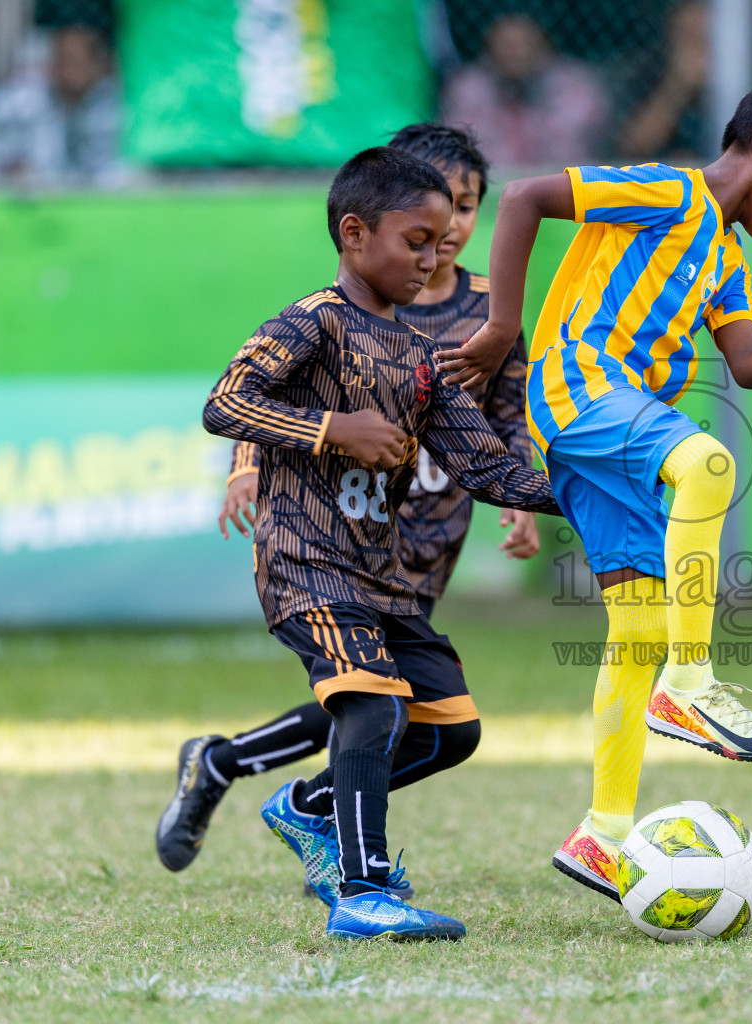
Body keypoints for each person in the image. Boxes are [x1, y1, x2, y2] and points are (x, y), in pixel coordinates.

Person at [438, 69, 752, 902]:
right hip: (579, 391)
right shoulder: (664, 192)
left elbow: (744, 364)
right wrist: (501, 326)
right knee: (709, 462)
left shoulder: (730, 260)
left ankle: (600, 835)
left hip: (612, 438)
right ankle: (692, 685)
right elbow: (526, 197)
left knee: (634, 631)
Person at [155, 125, 539, 902]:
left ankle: (300, 802)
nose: (437, 250)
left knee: (437, 722)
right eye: (420, 235)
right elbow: (231, 400)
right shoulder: (320, 317)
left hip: (397, 557)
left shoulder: (452, 344)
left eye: (455, 222)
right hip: (310, 555)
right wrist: (312, 438)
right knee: (368, 700)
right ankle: (362, 887)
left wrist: (609, 485)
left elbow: (493, 452)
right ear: (358, 231)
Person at [441, 14, 604, 168]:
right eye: (505, 45)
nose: (514, 53)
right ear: (488, 50)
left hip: (558, 176)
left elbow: (574, 143)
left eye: (523, 44)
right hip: (493, 178)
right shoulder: (469, 87)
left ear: (544, 47)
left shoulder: (573, 84)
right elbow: (460, 143)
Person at [0, 23, 124, 186]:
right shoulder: (20, 101)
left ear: (98, 67)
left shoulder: (115, 103)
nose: (69, 70)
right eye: (63, 60)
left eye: (78, 62)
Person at [615, 1, 710, 162]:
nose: (697, 52)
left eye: (705, 41)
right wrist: (678, 86)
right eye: (689, 39)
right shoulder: (645, 75)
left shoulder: (750, 77)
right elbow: (631, 147)